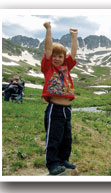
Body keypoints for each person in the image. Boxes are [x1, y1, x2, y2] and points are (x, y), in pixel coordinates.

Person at [41, 21, 78, 175]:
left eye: (60, 56)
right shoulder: (49, 67)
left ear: (64, 58)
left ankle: (63, 159)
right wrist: (49, 29)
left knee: (66, 138)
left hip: (66, 110)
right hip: (55, 109)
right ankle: (52, 163)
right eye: (55, 56)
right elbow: (48, 48)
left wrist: (74, 37)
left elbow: (73, 53)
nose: (56, 58)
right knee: (54, 138)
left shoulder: (66, 67)